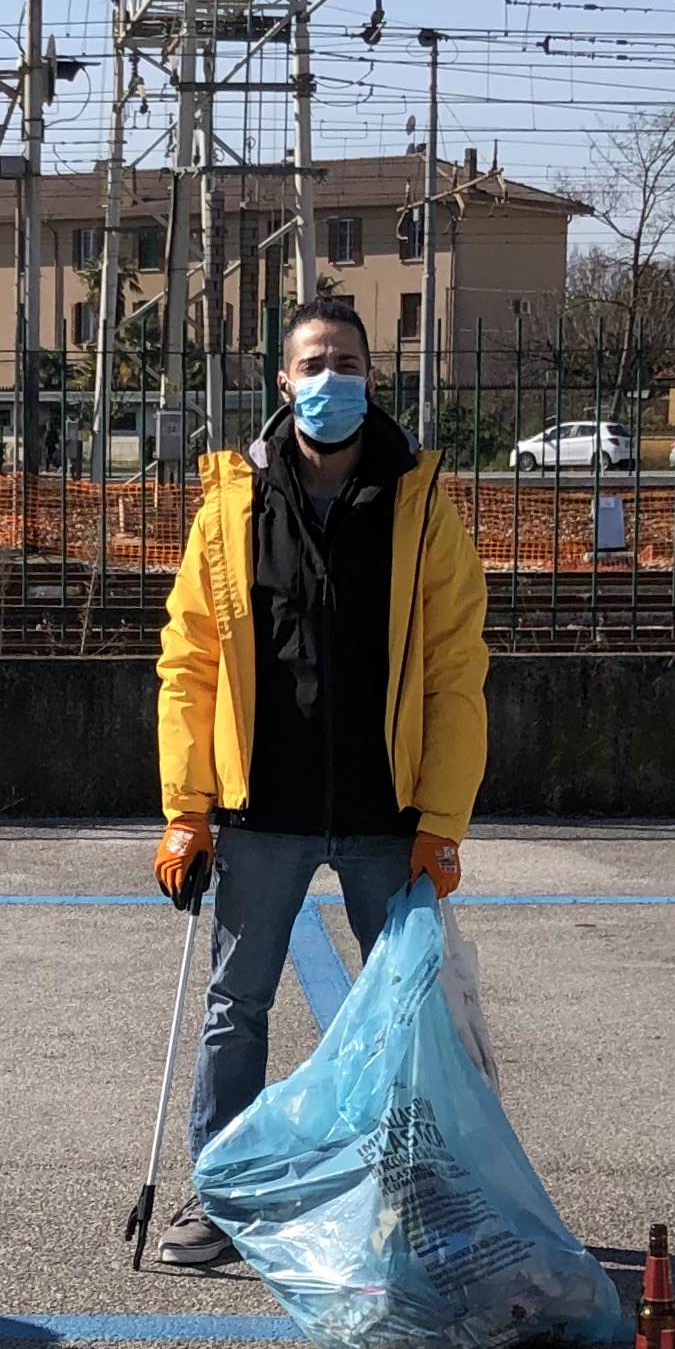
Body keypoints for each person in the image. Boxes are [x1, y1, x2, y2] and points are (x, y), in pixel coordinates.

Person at [146, 292, 489, 1273]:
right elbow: (189, 662)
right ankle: (223, 1192)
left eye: (346, 360)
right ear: (283, 381)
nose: (328, 378)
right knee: (234, 1008)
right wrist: (186, 811)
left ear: (371, 377)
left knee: (408, 1015)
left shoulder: (420, 504)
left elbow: (457, 668)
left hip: (389, 812)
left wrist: (442, 821)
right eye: (312, 362)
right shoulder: (231, 506)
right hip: (262, 808)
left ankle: (415, 1189)